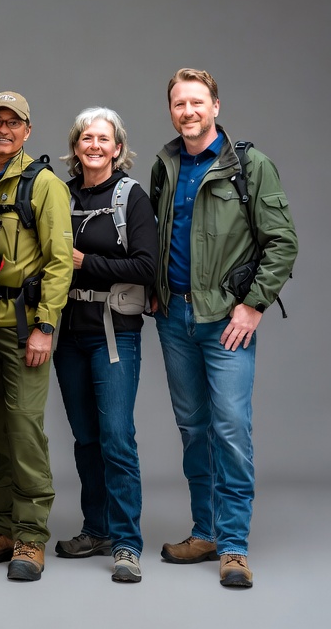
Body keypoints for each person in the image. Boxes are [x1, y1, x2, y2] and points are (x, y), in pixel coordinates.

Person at [150, 68, 297, 589]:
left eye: (196, 102)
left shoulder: (250, 166)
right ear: (171, 110)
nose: (187, 112)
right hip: (174, 319)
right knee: (193, 430)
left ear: (216, 106)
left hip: (227, 322)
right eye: (178, 104)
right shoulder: (165, 165)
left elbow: (282, 243)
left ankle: (233, 546)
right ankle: (205, 531)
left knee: (231, 430)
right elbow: (157, 238)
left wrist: (253, 306)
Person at [0, 91, 73, 581]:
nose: (4, 129)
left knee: (24, 431)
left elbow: (58, 261)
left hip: (25, 330)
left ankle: (30, 538)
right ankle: (1, 527)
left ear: (27, 130)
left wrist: (46, 325)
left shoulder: (44, 184)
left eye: (14, 122)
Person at [51, 107, 156, 584]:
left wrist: (84, 262)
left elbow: (144, 267)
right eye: (86, 138)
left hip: (115, 333)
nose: (94, 145)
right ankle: (95, 528)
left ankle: (127, 542)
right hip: (68, 335)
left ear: (117, 148)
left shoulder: (129, 197)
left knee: (117, 436)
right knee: (86, 437)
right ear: (76, 147)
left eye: (103, 139)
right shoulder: (62, 194)